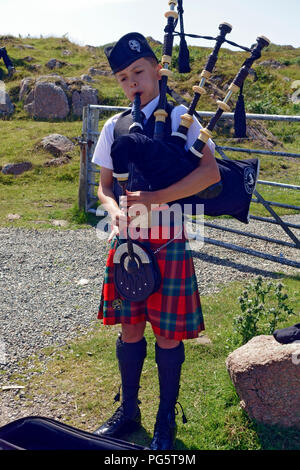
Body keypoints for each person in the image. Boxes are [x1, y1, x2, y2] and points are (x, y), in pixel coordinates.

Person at [91, 32, 220, 450]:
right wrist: (112, 212)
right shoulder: (115, 126)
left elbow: (209, 174)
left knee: (166, 333)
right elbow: (104, 187)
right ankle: (129, 412)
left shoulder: (183, 116)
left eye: (139, 72)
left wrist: (156, 198)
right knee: (130, 328)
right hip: (128, 242)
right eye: (124, 77)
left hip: (167, 239)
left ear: (157, 70)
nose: (132, 82)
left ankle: (165, 421)